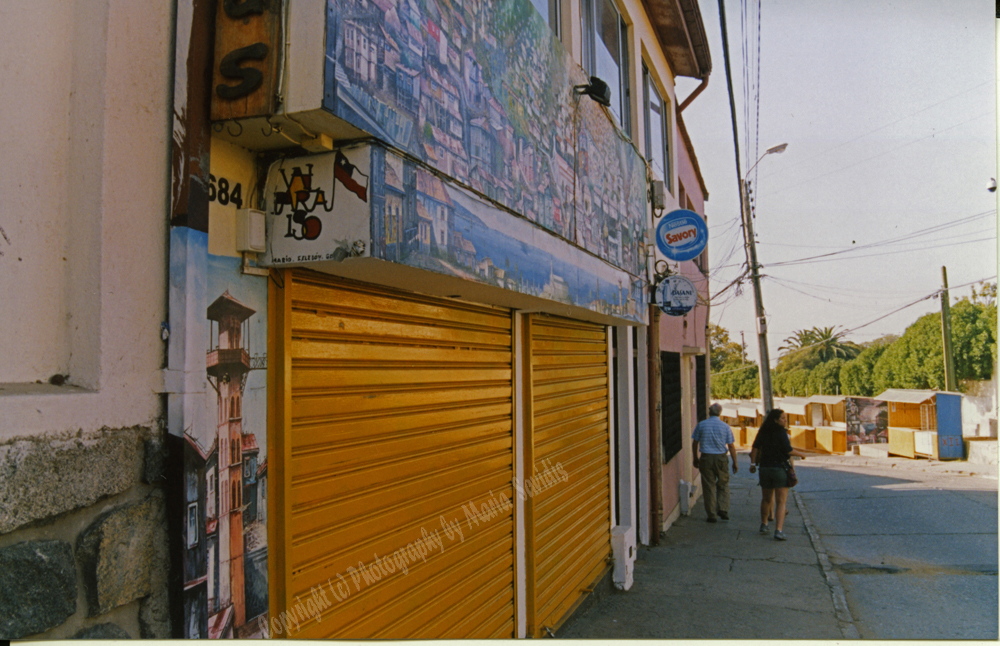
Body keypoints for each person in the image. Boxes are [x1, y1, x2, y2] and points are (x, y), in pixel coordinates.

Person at [749, 409, 806, 541]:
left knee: (766, 499)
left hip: (765, 468)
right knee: (781, 502)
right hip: (779, 469)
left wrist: (752, 464)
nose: (785, 420)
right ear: (775, 420)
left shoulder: (763, 431)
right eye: (782, 418)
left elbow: (755, 448)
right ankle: (778, 530)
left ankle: (764, 524)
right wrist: (802, 454)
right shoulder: (781, 432)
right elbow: (788, 450)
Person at [692, 402, 738, 523]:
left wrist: (695, 458)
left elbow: (695, 442)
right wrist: (735, 462)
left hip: (706, 457)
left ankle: (711, 514)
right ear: (720, 413)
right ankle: (723, 508)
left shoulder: (701, 425)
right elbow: (731, 446)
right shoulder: (725, 427)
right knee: (723, 483)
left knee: (709, 486)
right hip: (721, 458)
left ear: (709, 412)